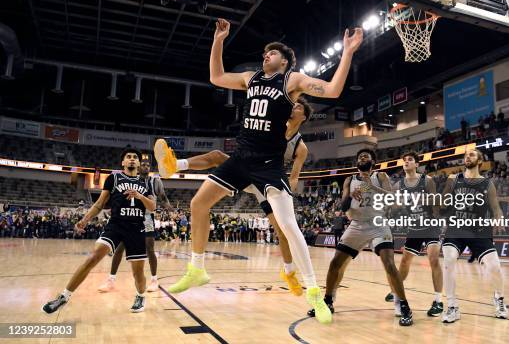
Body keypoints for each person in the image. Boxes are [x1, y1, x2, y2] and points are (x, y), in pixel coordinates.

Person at [159, 18, 362, 324]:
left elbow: (332, 90)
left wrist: (347, 52)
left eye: (273, 53)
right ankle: (197, 268)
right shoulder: (250, 79)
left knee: (289, 228)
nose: (266, 56)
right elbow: (215, 76)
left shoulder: (292, 81)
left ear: (285, 60)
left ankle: (312, 292)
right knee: (198, 204)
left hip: (268, 165)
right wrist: (218, 39)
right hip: (241, 157)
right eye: (265, 53)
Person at [155, 97, 313, 296]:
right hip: (248, 171)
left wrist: (283, 199)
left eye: (298, 107)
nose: (293, 107)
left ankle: (289, 271)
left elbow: (294, 177)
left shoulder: (301, 147)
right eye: (293, 104)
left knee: (283, 232)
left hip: (269, 183)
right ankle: (175, 165)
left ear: (304, 116)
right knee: (217, 156)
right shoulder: (274, 125)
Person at [307, 149, 414, 326]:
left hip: (378, 224)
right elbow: (343, 205)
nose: (362, 158)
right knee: (336, 263)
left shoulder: (381, 177)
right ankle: (328, 301)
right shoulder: (350, 179)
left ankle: (404, 306)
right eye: (360, 157)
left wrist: (370, 186)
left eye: (366, 156)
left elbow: (391, 198)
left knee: (389, 263)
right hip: (356, 224)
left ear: (373, 161)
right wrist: (350, 196)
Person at [42, 149, 155, 314]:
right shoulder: (113, 178)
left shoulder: (146, 183)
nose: (132, 159)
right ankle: (64, 296)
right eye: (128, 157)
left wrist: (139, 196)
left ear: (138, 163)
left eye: (135, 158)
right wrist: (84, 220)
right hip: (115, 225)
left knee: (138, 271)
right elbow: (100, 204)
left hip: (136, 227)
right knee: (92, 258)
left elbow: (152, 207)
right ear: (123, 162)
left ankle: (140, 296)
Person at [440, 149, 509, 323]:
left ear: (480, 160)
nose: (467, 157)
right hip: (455, 228)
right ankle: (452, 306)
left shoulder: (487, 183)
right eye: (466, 155)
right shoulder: (454, 179)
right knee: (448, 261)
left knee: (494, 267)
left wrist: (499, 219)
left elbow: (496, 208)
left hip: (478, 230)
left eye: (472, 154)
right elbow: (443, 202)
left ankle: (499, 299)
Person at [97, 155, 171, 293]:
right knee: (119, 248)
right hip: (129, 217)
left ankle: (154, 280)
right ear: (138, 166)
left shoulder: (155, 181)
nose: (146, 167)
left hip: (147, 218)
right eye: (143, 164)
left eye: (148, 165)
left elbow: (163, 198)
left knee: (149, 248)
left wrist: (171, 210)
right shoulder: (127, 179)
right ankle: (111, 280)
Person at [383, 151, 443, 317]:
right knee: (404, 261)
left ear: (417, 164)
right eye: (404, 160)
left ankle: (438, 301)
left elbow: (436, 202)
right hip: (414, 228)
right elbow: (394, 205)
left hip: (430, 226)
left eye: (410, 159)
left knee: (433, 259)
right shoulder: (399, 185)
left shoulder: (427, 180)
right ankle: (396, 291)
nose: (406, 162)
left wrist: (425, 202)